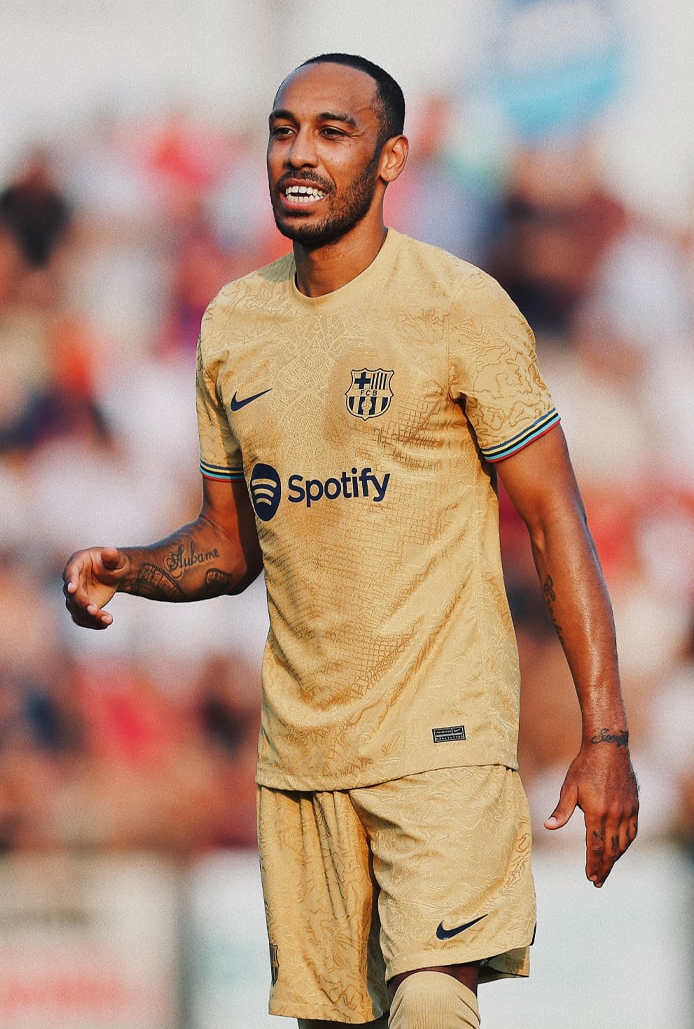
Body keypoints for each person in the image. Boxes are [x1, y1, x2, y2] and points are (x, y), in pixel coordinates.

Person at [63, 53, 639, 1029]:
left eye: (334, 132)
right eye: (283, 131)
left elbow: (555, 522)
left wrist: (605, 735)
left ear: (391, 159)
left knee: (431, 1002)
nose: (300, 153)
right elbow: (228, 547)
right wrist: (136, 569)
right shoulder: (234, 325)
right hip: (304, 754)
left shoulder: (458, 306)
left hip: (445, 737)